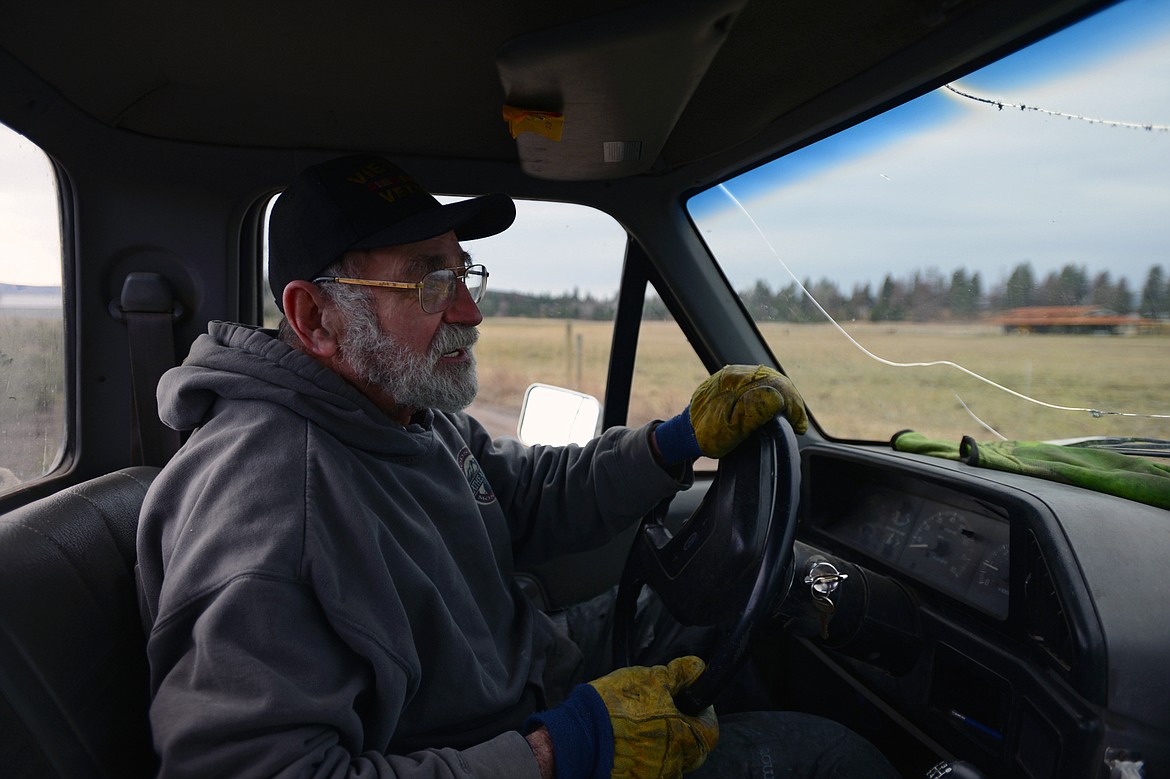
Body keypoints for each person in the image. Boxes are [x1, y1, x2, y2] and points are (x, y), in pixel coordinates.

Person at [136, 154, 900, 778]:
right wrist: (558, 751)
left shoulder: (403, 410)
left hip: (530, 674)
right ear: (315, 318)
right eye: (430, 280)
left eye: (465, 274)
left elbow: (522, 497)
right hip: (506, 742)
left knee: (743, 597)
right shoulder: (271, 504)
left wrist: (674, 440)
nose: (468, 310)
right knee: (832, 760)